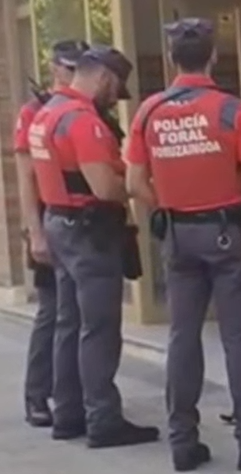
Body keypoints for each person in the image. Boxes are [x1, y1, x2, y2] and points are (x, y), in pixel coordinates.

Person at [126, 18, 241, 474]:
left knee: (182, 336)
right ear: (213, 57)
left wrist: (168, 207)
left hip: (178, 236)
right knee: (238, 339)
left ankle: (182, 441)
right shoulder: (231, 110)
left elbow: (134, 183)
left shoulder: (149, 112)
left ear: (172, 59)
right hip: (227, 233)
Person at [27, 44, 159, 450]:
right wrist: (134, 185)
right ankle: (103, 418)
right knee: (99, 327)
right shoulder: (84, 121)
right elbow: (103, 187)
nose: (114, 99)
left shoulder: (46, 113)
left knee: (69, 322)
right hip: (90, 232)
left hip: (59, 223)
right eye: (115, 89)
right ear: (102, 77)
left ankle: (68, 413)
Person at [17, 40, 87, 429]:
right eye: (70, 68)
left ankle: (74, 396)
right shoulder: (35, 112)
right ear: (55, 69)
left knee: (77, 313)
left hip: (81, 220)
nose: (75, 75)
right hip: (49, 217)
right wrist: (35, 232)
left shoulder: (85, 107)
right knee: (52, 310)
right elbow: (26, 176)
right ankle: (37, 394)